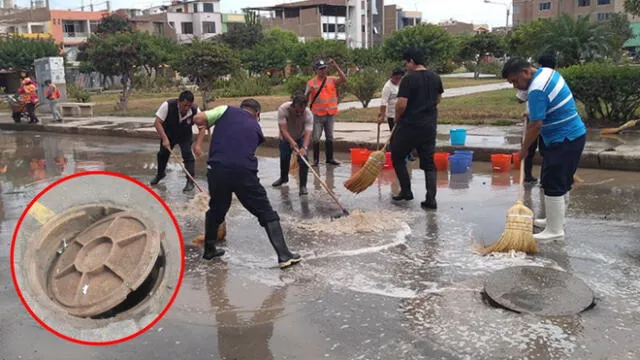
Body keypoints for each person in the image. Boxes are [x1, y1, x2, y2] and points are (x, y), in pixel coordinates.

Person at [192, 99, 302, 269]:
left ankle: (209, 250)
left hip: (217, 169)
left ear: (242, 108)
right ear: (257, 114)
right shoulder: (257, 128)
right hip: (244, 173)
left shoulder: (225, 110)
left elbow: (198, 119)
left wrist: (206, 125)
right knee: (265, 212)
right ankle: (284, 255)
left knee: (217, 209)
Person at [503, 56, 586, 242]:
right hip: (571, 135)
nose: (515, 86)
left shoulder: (537, 89)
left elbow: (536, 125)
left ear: (526, 71)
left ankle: (555, 230)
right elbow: (546, 107)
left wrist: (524, 150)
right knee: (561, 180)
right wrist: (532, 112)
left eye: (515, 81)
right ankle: (555, 220)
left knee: (553, 183)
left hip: (563, 139)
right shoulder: (547, 72)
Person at [390, 48, 444, 210]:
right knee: (428, 162)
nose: (406, 66)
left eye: (406, 62)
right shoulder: (435, 77)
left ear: (412, 61)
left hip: (410, 125)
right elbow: (439, 98)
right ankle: (431, 199)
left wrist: (397, 118)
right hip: (429, 126)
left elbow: (401, 104)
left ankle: (406, 191)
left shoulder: (409, 79)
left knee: (397, 155)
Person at [150, 90, 202, 192]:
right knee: (162, 154)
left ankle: (190, 182)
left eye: (189, 106)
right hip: (168, 134)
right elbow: (157, 123)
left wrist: (198, 144)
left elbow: (202, 127)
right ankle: (160, 174)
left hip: (185, 135)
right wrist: (165, 139)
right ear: (179, 102)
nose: (186, 108)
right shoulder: (167, 105)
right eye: (184, 105)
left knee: (188, 155)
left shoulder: (195, 110)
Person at [516, 53, 556, 183]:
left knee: (529, 149)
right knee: (546, 151)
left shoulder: (532, 80)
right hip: (545, 120)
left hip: (536, 120)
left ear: (538, 65)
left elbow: (519, 99)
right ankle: (544, 178)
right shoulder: (553, 77)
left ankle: (528, 176)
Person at [305, 58, 347, 166]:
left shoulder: (331, 80)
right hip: (317, 115)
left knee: (329, 137)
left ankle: (330, 159)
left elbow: (344, 79)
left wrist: (336, 66)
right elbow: (306, 98)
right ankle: (315, 160)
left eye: (324, 68)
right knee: (316, 137)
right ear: (316, 70)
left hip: (330, 114)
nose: (323, 71)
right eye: (320, 69)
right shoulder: (311, 83)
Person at [271, 92, 313, 195]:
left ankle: (303, 186)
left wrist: (304, 147)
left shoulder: (308, 114)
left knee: (304, 159)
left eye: (301, 112)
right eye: (297, 112)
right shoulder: (283, 109)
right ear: (292, 106)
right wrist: (291, 141)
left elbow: (308, 133)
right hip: (286, 136)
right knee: (285, 157)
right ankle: (283, 178)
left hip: (301, 136)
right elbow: (283, 129)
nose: (299, 114)